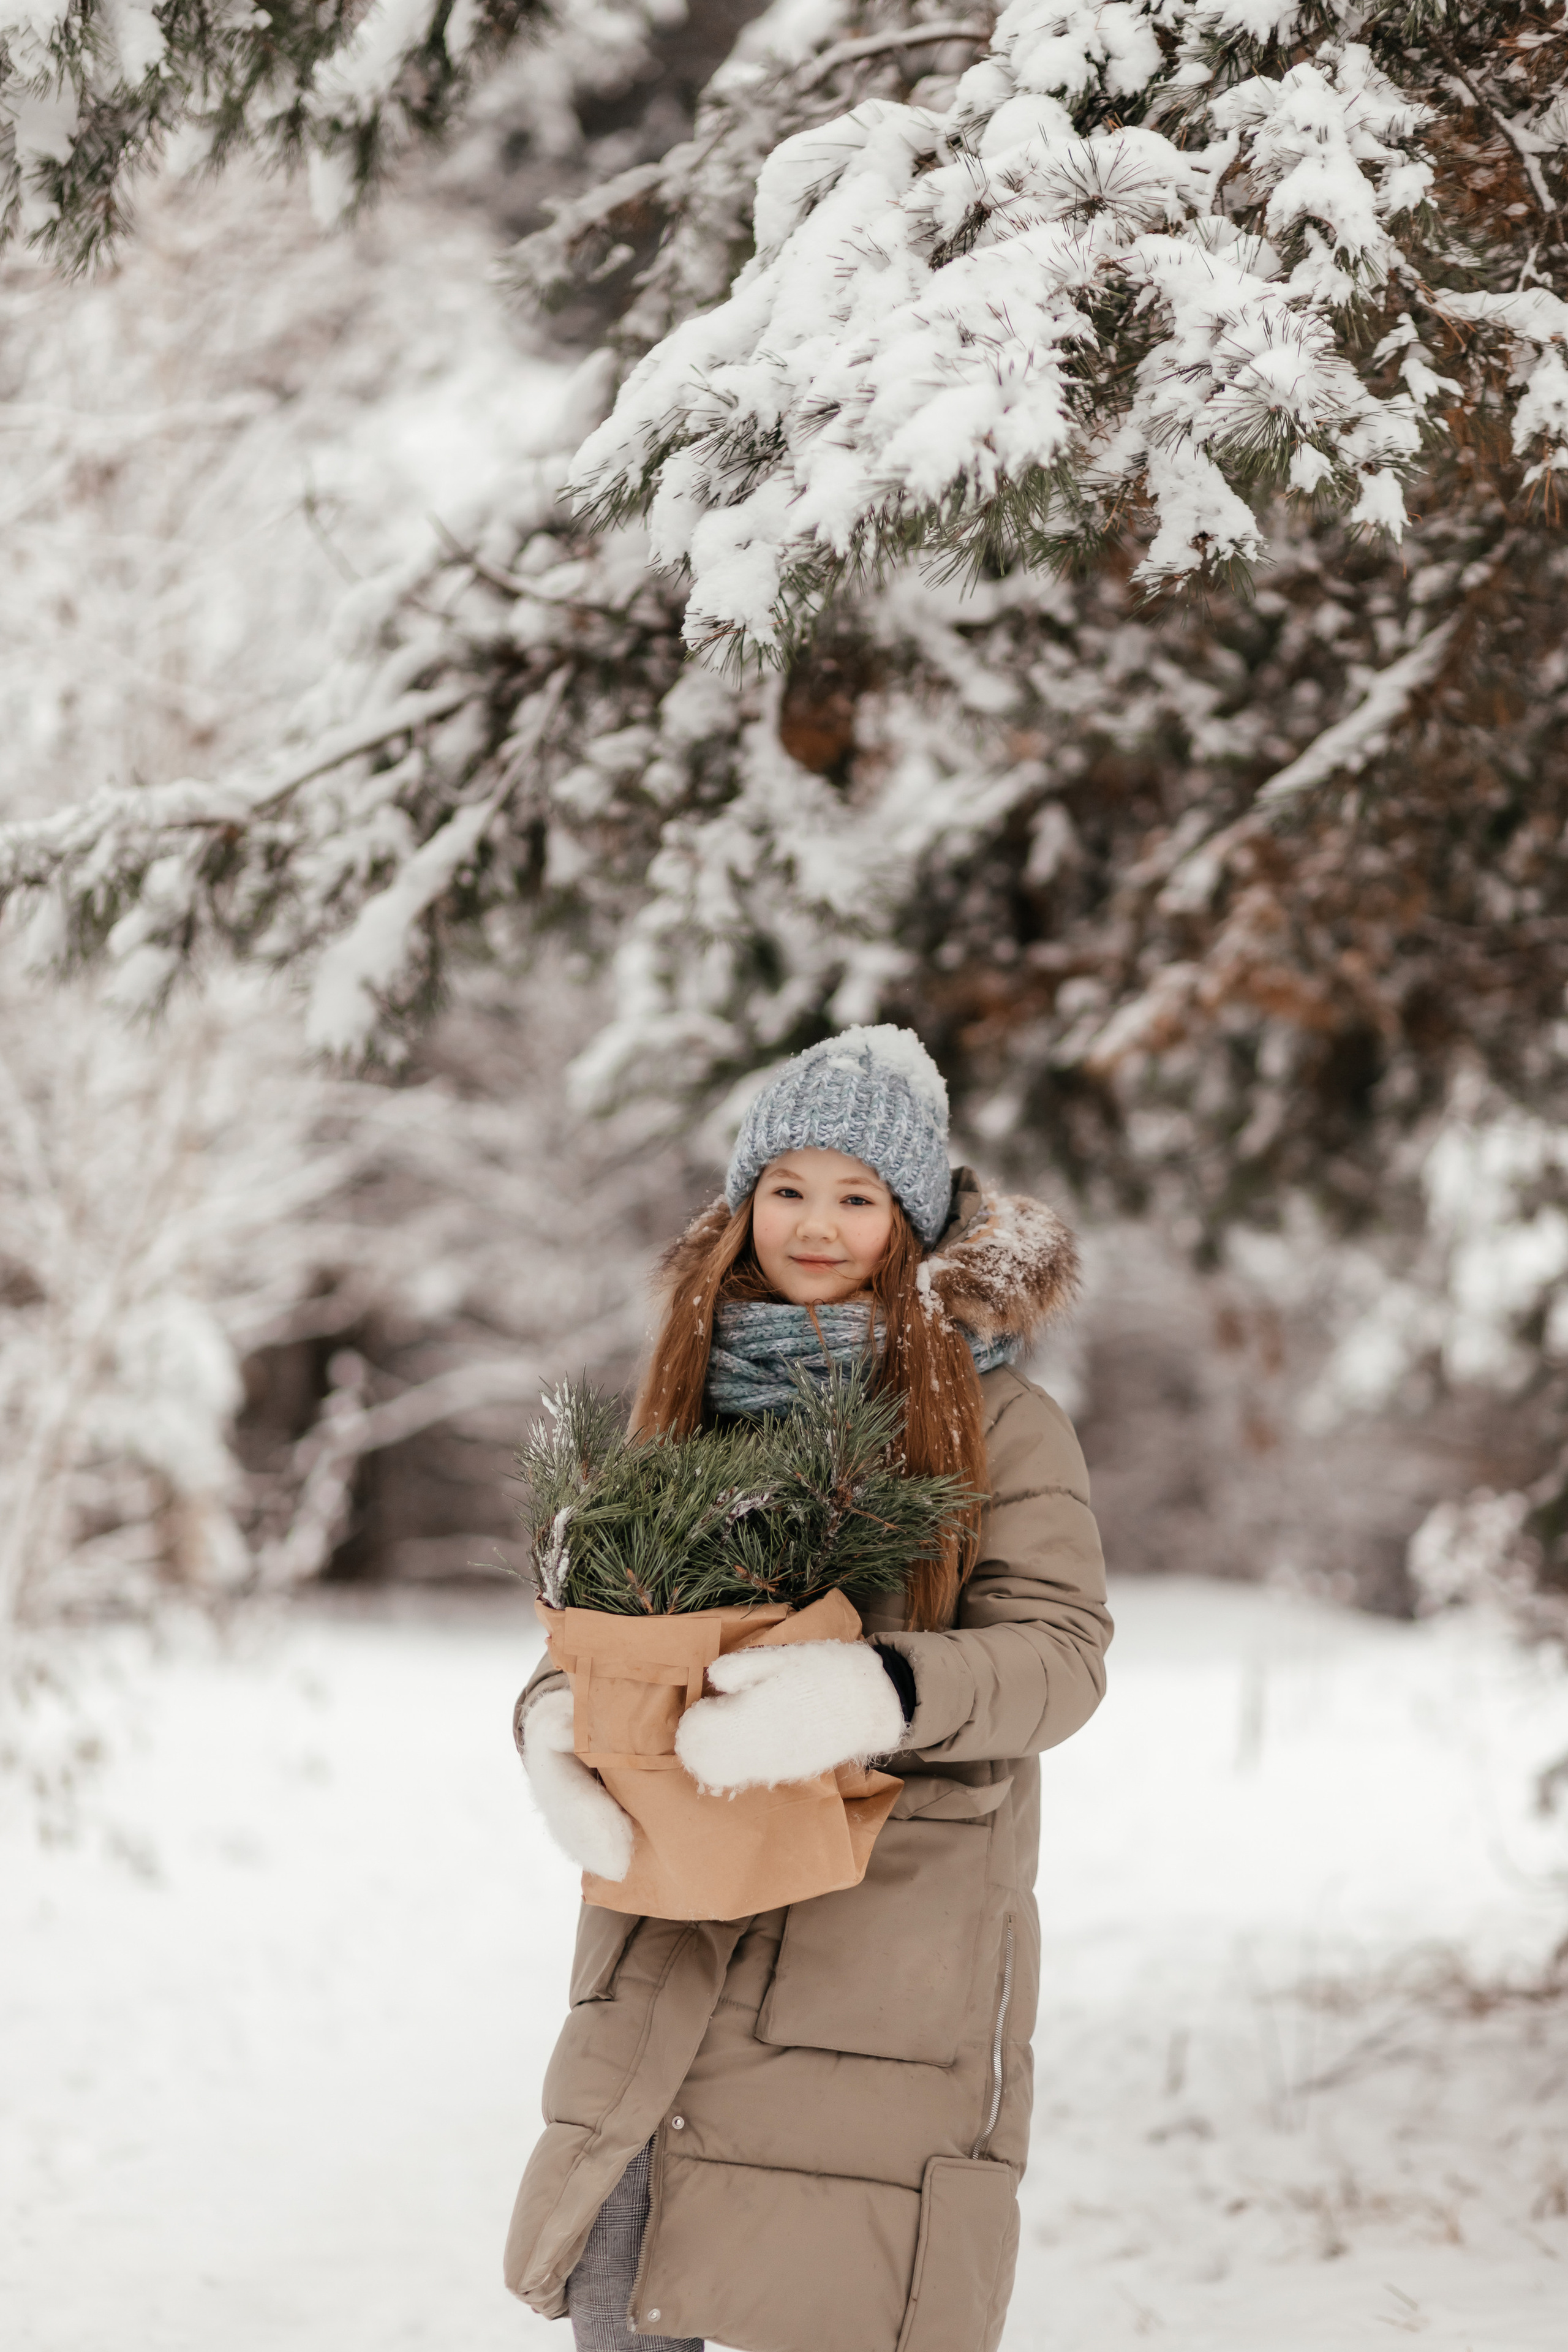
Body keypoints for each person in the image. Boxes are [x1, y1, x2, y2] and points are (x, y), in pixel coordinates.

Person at [505, 1025, 1110, 2352]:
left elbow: (1062, 1656)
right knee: (623, 2306)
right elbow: (598, 1629)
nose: (816, 1227)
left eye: (858, 1196)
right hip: (669, 1937)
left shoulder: (1003, 1421)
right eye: (787, 1189)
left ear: (912, 1219)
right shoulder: (682, 1404)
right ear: (742, 1207)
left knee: (820, 2310)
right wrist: (549, 1726)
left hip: (878, 1950)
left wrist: (874, 1691)